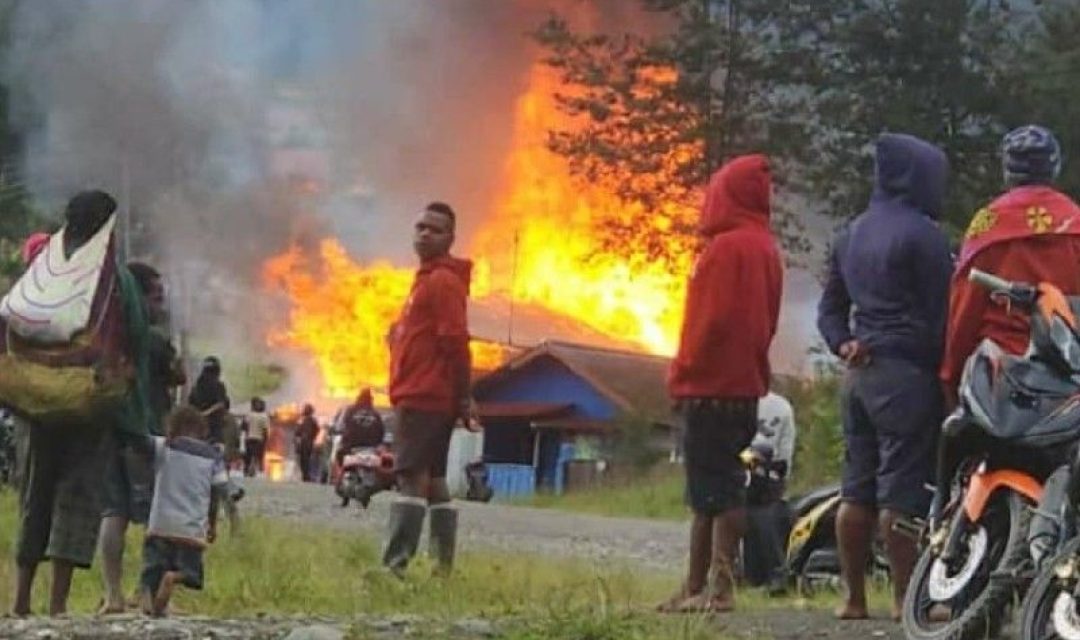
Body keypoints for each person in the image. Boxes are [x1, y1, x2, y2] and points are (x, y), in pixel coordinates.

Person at [817, 133, 952, 621]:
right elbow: (943, 316)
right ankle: (904, 600)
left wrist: (843, 343)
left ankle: (853, 600)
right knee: (901, 492)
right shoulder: (924, 235)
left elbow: (830, 309)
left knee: (856, 490)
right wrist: (948, 377)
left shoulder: (850, 233)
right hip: (906, 377)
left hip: (858, 378)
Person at [8, 190, 149, 617]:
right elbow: (137, 343)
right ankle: (57, 605)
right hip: (89, 407)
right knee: (76, 498)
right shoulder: (116, 278)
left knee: (35, 496)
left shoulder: (43, 269)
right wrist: (133, 416)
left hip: (35, 404)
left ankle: (19, 601)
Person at [663, 154, 783, 613]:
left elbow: (707, 324)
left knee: (720, 491)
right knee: (706, 492)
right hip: (743, 385)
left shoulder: (725, 249)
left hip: (711, 387)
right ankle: (694, 585)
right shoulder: (764, 248)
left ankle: (719, 589)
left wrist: (682, 373)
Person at [941, 125, 1080, 404]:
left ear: (1007, 170)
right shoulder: (1074, 222)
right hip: (1067, 369)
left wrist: (950, 375)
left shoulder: (988, 225)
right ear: (1053, 167)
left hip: (1000, 372)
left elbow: (964, 310)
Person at [383, 201, 478, 577]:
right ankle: (442, 569)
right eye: (420, 226)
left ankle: (395, 567)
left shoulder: (442, 281)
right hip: (424, 392)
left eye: (434, 229)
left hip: (425, 396)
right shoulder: (424, 280)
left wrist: (465, 395)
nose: (424, 233)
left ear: (450, 238)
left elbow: (456, 341)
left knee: (411, 476)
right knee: (435, 480)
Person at [98, 262, 185, 614]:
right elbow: (178, 377)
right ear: (141, 295)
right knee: (157, 513)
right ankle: (147, 594)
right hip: (144, 433)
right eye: (156, 295)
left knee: (114, 512)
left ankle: (113, 595)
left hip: (109, 428)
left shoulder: (108, 333)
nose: (160, 304)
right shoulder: (152, 338)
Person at [139, 407, 228, 617]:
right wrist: (212, 524)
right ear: (201, 430)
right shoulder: (212, 456)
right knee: (191, 573)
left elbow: (140, 441)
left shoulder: (164, 446)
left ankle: (150, 605)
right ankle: (173, 579)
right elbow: (218, 492)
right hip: (190, 527)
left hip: (160, 523)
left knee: (153, 568)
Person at [742, 391, 797, 593]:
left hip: (764, 477)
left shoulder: (777, 407)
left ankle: (775, 573)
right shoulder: (781, 406)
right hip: (764, 475)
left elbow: (779, 458)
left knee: (760, 514)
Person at [336, 388, 386, 467]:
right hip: (371, 447)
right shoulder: (376, 413)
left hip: (351, 446)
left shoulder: (350, 410)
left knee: (338, 455)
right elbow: (381, 431)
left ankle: (339, 476)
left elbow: (341, 426)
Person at [188, 357, 230, 445]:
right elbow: (221, 404)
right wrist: (205, 414)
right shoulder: (218, 386)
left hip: (198, 427)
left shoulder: (196, 387)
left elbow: (190, 405)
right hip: (214, 428)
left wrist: (199, 415)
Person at [243, 397, 270, 477]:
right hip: (259, 439)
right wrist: (265, 441)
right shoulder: (264, 417)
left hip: (249, 439)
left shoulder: (249, 415)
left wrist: (246, 434)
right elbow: (265, 430)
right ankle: (257, 468)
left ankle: (247, 469)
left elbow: (244, 426)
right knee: (258, 455)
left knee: (248, 455)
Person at [295, 404, 319, 482]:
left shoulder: (303, 420)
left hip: (304, 443)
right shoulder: (312, 421)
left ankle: (306, 475)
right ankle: (306, 475)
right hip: (308, 443)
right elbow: (316, 430)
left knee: (304, 460)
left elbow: (297, 432)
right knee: (306, 459)